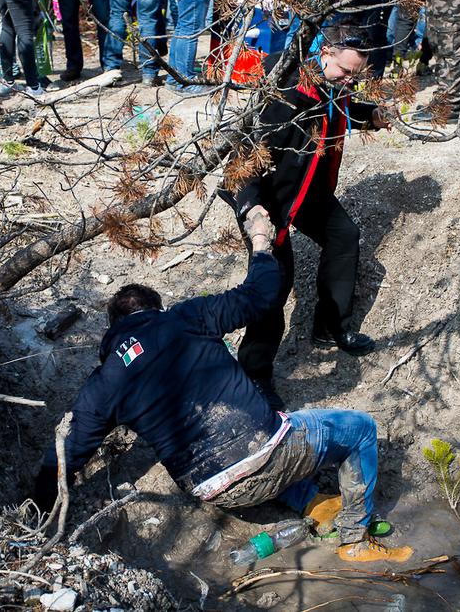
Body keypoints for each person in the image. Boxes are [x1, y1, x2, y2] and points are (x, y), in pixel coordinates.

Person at [32, 206, 413, 563]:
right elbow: (260, 295)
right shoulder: (184, 318)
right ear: (157, 309)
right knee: (360, 429)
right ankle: (355, 540)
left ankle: (313, 500)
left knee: (266, 438)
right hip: (267, 457)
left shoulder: (104, 381)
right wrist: (261, 240)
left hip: (213, 490)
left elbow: (66, 453)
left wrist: (36, 513)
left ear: (114, 329)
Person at [225, 22, 390, 410]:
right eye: (346, 72)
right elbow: (245, 158)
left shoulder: (333, 85)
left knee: (344, 236)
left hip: (307, 190)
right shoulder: (286, 94)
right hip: (270, 205)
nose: (351, 81)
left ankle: (331, 327)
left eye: (357, 75)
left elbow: (342, 106)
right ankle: (254, 376)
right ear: (324, 53)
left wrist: (371, 116)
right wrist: (253, 209)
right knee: (274, 287)